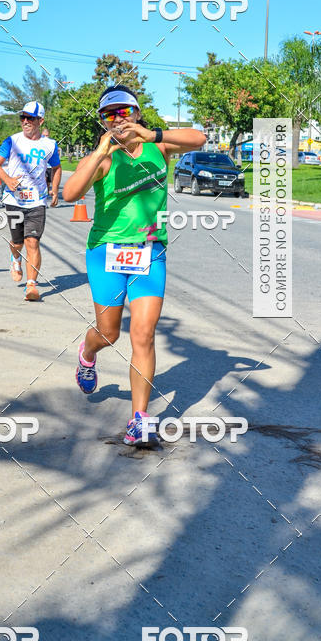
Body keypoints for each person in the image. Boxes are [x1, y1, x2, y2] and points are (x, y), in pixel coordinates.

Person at [62, 84, 206, 445]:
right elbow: (70, 193)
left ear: (137, 113)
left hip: (150, 251)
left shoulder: (160, 147)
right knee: (108, 334)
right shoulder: (103, 159)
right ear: (102, 121)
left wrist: (151, 134)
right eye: (109, 114)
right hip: (106, 252)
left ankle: (140, 419)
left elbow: (199, 138)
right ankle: (87, 352)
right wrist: (100, 151)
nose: (118, 119)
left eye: (124, 112)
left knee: (143, 334)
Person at [0, 101, 61, 302]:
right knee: (18, 242)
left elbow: (56, 168)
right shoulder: (12, 141)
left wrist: (54, 190)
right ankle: (15, 258)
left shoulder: (50, 145)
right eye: (23, 117)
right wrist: (7, 180)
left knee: (32, 241)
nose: (25, 121)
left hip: (37, 201)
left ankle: (31, 286)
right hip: (14, 200)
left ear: (41, 121)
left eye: (30, 118)